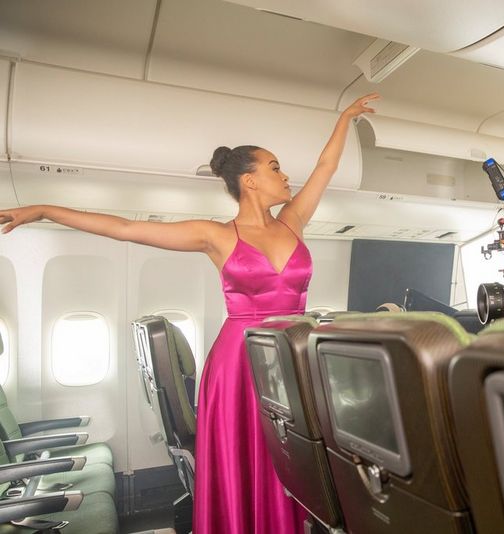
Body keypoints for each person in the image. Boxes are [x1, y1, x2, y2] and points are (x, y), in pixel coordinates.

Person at [0, 92, 380, 533]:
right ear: (250, 180)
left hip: (291, 358)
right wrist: (43, 210)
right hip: (240, 363)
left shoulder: (293, 221)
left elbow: (325, 167)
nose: (285, 175)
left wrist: (346, 119)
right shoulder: (216, 235)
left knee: (293, 458)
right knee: (250, 456)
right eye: (275, 167)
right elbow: (125, 228)